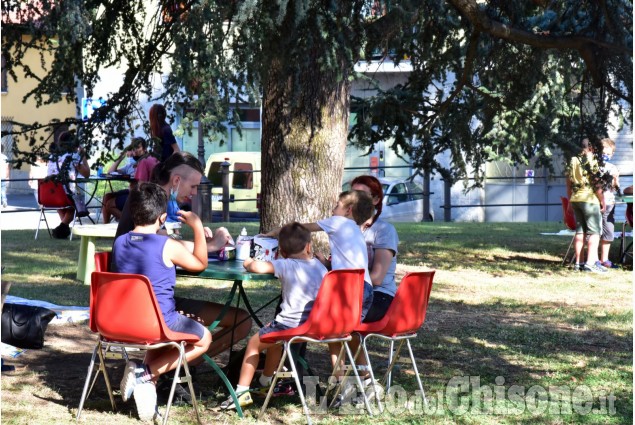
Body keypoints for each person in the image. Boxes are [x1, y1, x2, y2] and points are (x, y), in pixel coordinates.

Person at [114, 151, 252, 361]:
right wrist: (208, 242)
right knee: (242, 321)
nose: (195, 193)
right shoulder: (157, 206)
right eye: (194, 186)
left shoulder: (144, 200)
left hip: (125, 308)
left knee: (240, 319)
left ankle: (173, 369)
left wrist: (204, 242)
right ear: (176, 180)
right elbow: (172, 248)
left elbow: (167, 244)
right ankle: (166, 368)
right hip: (153, 310)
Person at [112, 182, 211, 421]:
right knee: (204, 339)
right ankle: (145, 373)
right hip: (157, 323)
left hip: (118, 323)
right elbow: (200, 264)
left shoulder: (119, 242)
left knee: (169, 332)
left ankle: (148, 389)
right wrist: (197, 227)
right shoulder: (167, 245)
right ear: (163, 217)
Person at [265, 190, 375, 376]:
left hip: (346, 289)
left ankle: (340, 378)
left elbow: (303, 228)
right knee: (343, 334)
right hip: (364, 288)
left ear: (348, 210)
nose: (332, 210)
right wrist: (327, 264)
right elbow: (351, 262)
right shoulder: (356, 230)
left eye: (336, 206)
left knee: (336, 335)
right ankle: (363, 379)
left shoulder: (338, 222)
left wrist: (279, 231)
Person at [220, 222, 328, 410]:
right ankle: (265, 381)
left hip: (288, 325)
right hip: (313, 326)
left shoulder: (285, 264)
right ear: (309, 246)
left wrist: (248, 261)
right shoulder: (320, 267)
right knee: (273, 341)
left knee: (254, 344)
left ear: (282, 252)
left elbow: (257, 267)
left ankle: (241, 391)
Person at [566, 138, 606, 273]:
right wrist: (602, 200)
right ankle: (590, 263)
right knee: (594, 232)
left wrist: (570, 199)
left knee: (580, 231)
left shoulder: (573, 160)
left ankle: (579, 263)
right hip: (589, 199)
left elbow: (569, 182)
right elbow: (596, 182)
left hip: (576, 198)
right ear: (591, 148)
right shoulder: (591, 159)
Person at [102, 137, 159, 223]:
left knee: (109, 205)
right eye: (133, 148)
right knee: (107, 196)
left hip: (142, 195)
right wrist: (122, 156)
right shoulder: (131, 165)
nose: (136, 151)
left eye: (138, 147)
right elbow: (111, 172)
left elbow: (142, 186)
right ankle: (105, 226)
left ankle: (129, 223)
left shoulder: (144, 161)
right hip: (133, 191)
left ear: (145, 148)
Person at [46, 131, 90, 239]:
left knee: (63, 203)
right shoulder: (73, 156)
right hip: (66, 194)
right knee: (76, 205)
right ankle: (62, 227)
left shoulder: (52, 156)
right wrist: (83, 155)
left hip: (51, 194)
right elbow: (87, 174)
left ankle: (63, 229)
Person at [598, 138, 620, 268]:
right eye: (603, 152)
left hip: (609, 202)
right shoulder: (593, 166)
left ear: (612, 154)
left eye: (608, 153)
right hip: (595, 202)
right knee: (594, 232)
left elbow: (615, 188)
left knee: (608, 231)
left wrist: (616, 179)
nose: (605, 155)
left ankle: (604, 259)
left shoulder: (612, 168)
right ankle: (593, 259)